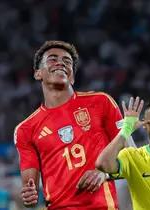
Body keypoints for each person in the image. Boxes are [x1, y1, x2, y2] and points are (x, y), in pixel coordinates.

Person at [14, 40, 130, 209]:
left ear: (72, 77)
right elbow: (29, 186)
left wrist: (104, 174)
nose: (60, 62)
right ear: (38, 73)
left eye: (67, 61)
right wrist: (29, 195)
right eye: (52, 59)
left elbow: (130, 156)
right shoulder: (25, 129)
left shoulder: (101, 102)